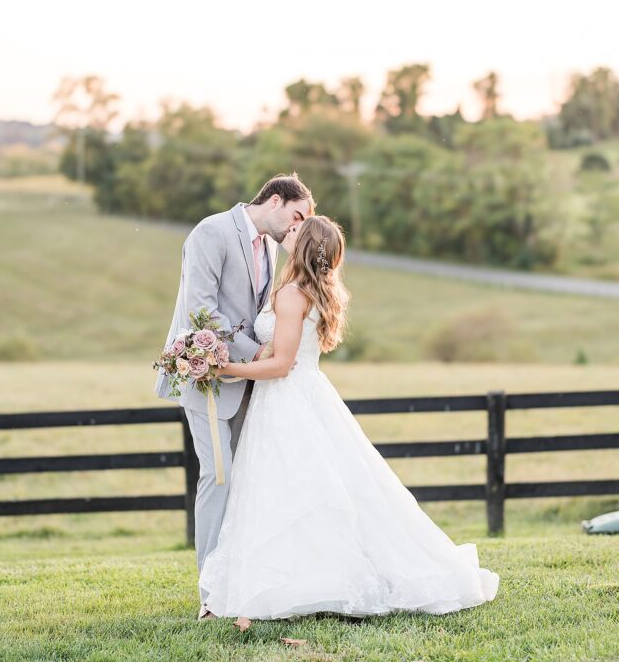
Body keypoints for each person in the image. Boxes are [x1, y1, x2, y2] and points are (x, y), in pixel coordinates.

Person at [199, 214, 500, 622]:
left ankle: (302, 582)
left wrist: (225, 370)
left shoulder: (291, 294)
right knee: (304, 488)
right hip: (306, 395)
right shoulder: (315, 290)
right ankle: (299, 579)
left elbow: (282, 365)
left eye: (295, 230)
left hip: (287, 400)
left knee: (290, 487)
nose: (287, 231)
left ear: (303, 245)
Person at [154, 174, 315, 621]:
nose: (298, 227)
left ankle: (240, 582)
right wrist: (256, 352)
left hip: (248, 382)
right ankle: (210, 593)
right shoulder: (211, 232)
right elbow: (199, 309)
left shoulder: (268, 246)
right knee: (218, 477)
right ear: (276, 200)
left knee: (246, 479)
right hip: (205, 373)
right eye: (297, 215)